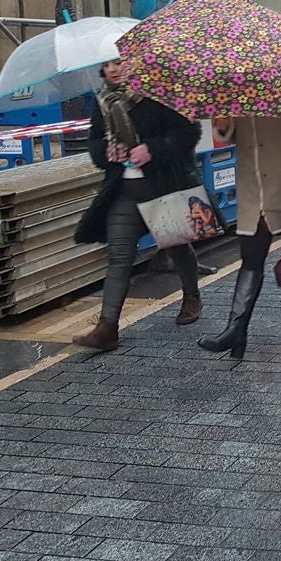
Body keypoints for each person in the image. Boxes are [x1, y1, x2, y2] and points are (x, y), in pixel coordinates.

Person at [72, 59, 203, 352]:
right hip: (124, 190)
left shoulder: (158, 92)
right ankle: (108, 328)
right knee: (119, 256)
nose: (113, 69)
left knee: (176, 245)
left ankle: (192, 295)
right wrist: (107, 153)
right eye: (107, 65)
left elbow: (188, 133)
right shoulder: (103, 100)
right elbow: (94, 143)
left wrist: (152, 148)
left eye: (118, 63)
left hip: (162, 187)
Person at [198, 97, 281, 359]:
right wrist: (223, 122)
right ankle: (236, 329)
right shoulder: (237, 90)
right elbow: (230, 137)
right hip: (254, 190)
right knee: (251, 257)